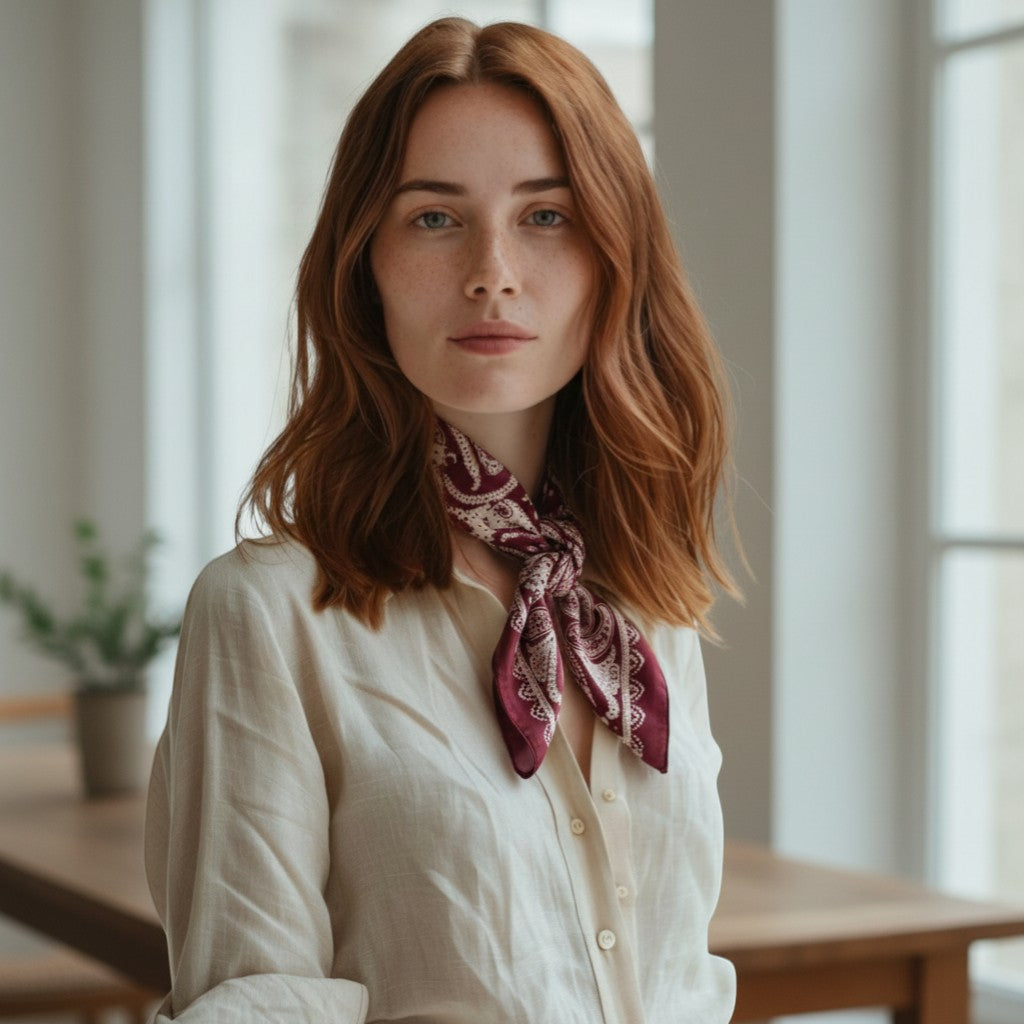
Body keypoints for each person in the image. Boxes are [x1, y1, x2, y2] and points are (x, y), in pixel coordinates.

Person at [145, 16, 739, 1024]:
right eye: (433, 218)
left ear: (613, 259)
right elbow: (253, 1003)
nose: (491, 270)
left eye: (546, 216)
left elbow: (682, 974)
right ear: (361, 264)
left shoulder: (640, 604)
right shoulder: (268, 614)